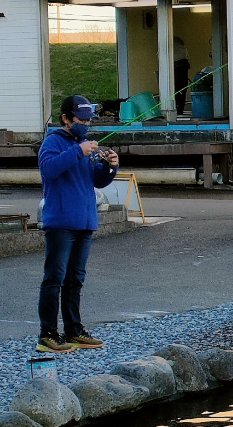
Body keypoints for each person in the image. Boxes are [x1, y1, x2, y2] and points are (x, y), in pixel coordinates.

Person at [36, 95, 120, 353]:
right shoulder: (53, 142)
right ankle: (47, 334)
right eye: (82, 119)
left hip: (85, 222)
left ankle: (73, 329)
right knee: (54, 278)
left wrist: (110, 167)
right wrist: (77, 152)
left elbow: (95, 180)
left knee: (75, 279)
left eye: (89, 119)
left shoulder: (83, 144)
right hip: (61, 223)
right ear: (66, 119)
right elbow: (48, 169)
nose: (87, 123)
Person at [173, 36, 191, 115]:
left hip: (177, 67)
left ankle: (176, 110)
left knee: (176, 89)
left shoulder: (170, 47)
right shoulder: (183, 48)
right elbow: (187, 57)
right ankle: (180, 110)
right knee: (182, 89)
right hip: (183, 66)